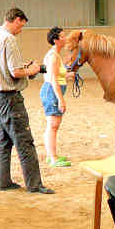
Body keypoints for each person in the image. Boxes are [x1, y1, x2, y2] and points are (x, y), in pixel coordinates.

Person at [0, 7, 52, 194]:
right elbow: (15, 72)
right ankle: (35, 185)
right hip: (9, 97)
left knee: (4, 140)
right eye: (21, 25)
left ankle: (4, 181)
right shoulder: (9, 40)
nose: (20, 30)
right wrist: (34, 69)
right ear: (16, 19)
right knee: (24, 141)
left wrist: (24, 68)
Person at [40, 26, 70, 168]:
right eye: (63, 36)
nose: (65, 38)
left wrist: (68, 75)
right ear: (56, 40)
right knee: (53, 125)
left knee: (53, 125)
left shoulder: (56, 55)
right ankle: (52, 158)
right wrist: (61, 99)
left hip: (53, 91)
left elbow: (57, 74)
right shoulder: (53, 56)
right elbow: (52, 79)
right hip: (52, 92)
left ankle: (52, 155)